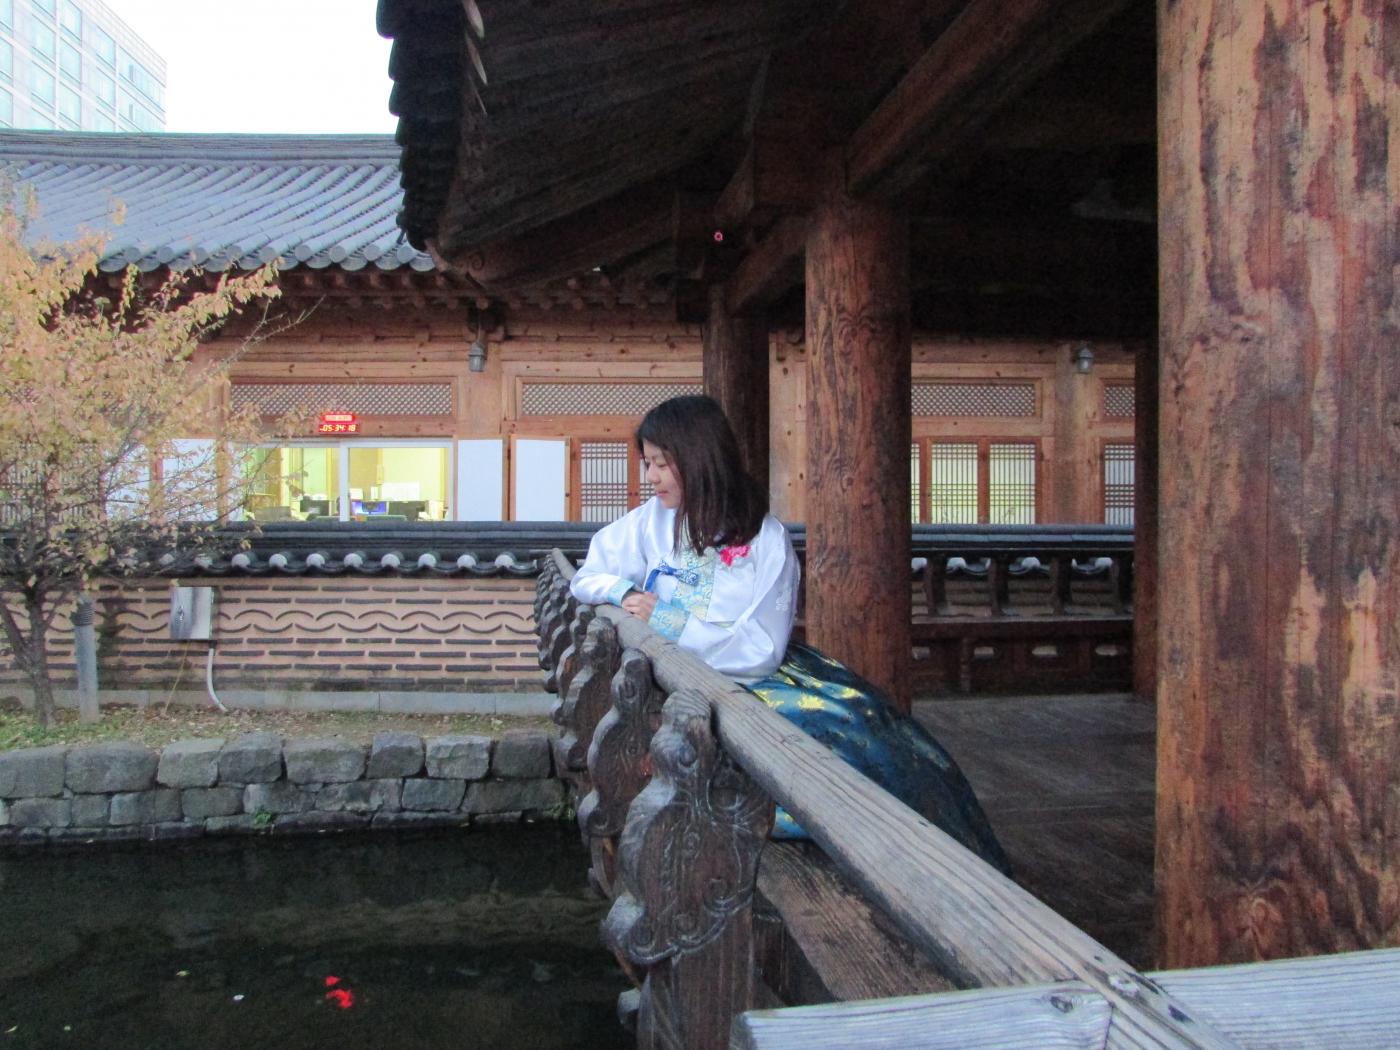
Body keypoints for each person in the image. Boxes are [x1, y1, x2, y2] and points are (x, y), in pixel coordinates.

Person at [571, 395, 1008, 871]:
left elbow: (761, 649)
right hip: (680, 679)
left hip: (754, 677)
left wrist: (669, 620)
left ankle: (932, 856)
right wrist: (624, 591)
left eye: (661, 464)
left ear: (699, 459)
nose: (651, 477)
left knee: (864, 732)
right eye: (647, 463)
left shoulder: (765, 539)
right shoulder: (648, 523)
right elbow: (588, 575)